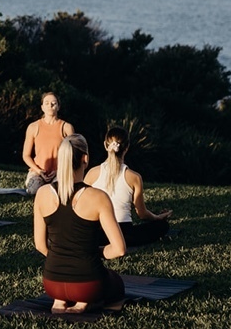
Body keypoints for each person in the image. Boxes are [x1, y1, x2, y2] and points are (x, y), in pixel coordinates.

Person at [34, 134, 127, 313]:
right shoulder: (98, 197)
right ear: (85, 159)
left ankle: (60, 301)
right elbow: (119, 249)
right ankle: (83, 302)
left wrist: (63, 259)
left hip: (52, 283)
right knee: (116, 281)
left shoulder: (42, 193)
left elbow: (40, 245)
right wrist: (93, 252)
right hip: (87, 284)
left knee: (66, 287)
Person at [84, 126, 173, 247]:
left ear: (105, 145)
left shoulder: (91, 174)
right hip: (124, 234)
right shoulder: (134, 177)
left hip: (97, 233)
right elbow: (142, 214)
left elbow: (81, 205)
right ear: (127, 147)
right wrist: (158, 217)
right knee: (162, 226)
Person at [22, 92, 76, 194]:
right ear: (42, 107)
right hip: (37, 172)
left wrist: (59, 171)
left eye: (53, 103)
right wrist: (38, 170)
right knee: (34, 190)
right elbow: (26, 155)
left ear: (58, 107)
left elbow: (73, 154)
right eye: (46, 103)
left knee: (58, 191)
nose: (50, 106)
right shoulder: (33, 127)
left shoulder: (66, 128)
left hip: (60, 173)